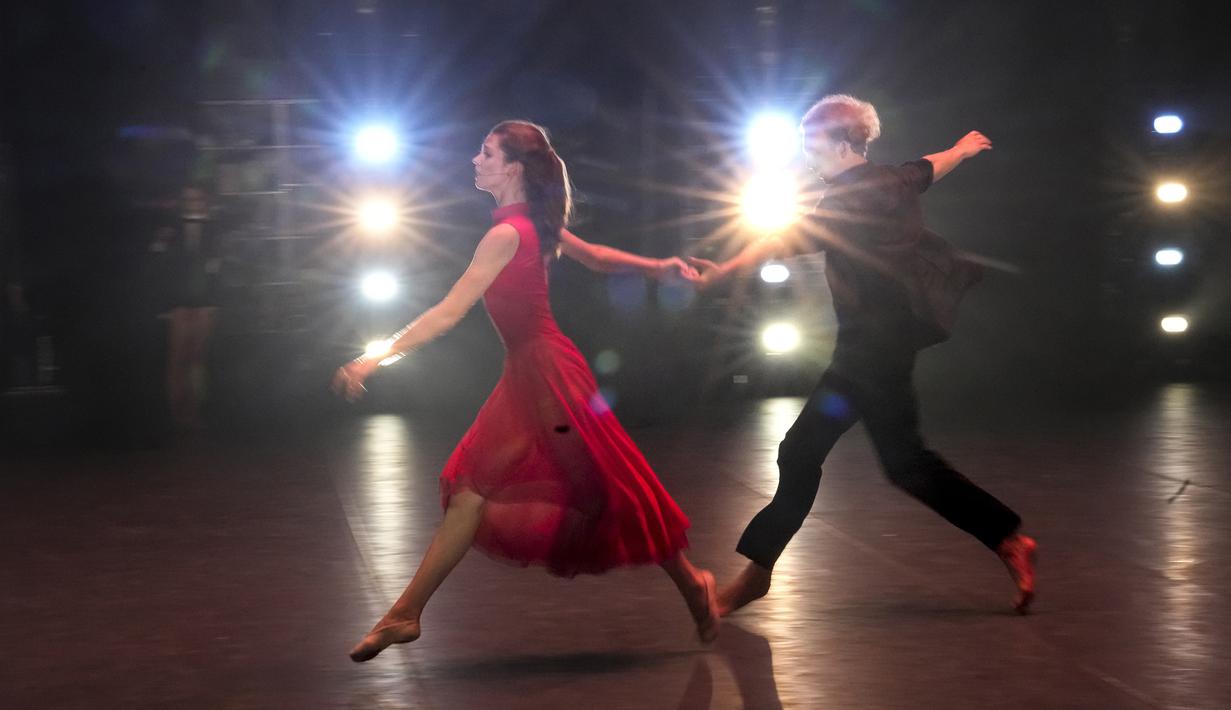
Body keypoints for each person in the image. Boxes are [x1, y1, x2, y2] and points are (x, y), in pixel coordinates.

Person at [333, 120, 719, 662]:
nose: (474, 160)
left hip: (549, 375)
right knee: (475, 491)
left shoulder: (508, 234)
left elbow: (449, 312)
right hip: (530, 371)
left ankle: (692, 581)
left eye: (486, 153)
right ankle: (405, 614)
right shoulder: (530, 225)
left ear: (512, 167)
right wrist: (658, 266)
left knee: (605, 487)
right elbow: (598, 258)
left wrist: (374, 358)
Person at [688, 95, 1037, 615]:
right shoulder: (890, 180)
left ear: (843, 142)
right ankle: (1007, 535)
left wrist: (720, 273)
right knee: (903, 462)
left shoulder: (848, 199)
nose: (808, 153)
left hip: (869, 351)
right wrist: (961, 149)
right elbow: (927, 169)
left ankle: (753, 579)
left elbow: (782, 239)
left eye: (814, 142)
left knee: (808, 453)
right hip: (877, 346)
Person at [150, 186, 221, 432]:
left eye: (197, 197)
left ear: (205, 200)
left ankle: (195, 414)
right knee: (177, 360)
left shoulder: (215, 230)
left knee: (198, 360)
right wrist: (165, 305)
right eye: (188, 198)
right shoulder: (170, 231)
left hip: (204, 304)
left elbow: (219, 270)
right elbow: (160, 270)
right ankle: (175, 416)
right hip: (178, 303)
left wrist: (214, 303)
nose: (192, 202)